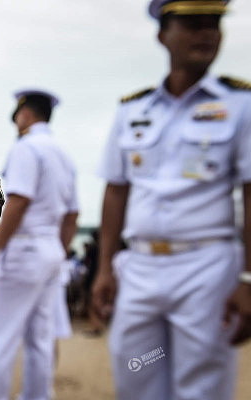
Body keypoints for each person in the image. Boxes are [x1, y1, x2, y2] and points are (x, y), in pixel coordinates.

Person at [93, 1, 251, 399]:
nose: (206, 33)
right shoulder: (133, 110)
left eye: (213, 23)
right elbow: (116, 189)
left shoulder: (240, 105)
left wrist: (249, 279)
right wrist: (104, 268)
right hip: (140, 267)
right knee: (136, 372)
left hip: (207, 268)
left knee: (200, 386)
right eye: (193, 24)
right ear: (163, 34)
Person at [0, 89, 79, 400]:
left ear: (25, 114)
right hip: (50, 250)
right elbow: (73, 214)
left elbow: (18, 201)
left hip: (24, 249)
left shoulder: (26, 147)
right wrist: (59, 251)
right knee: (40, 339)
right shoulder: (64, 154)